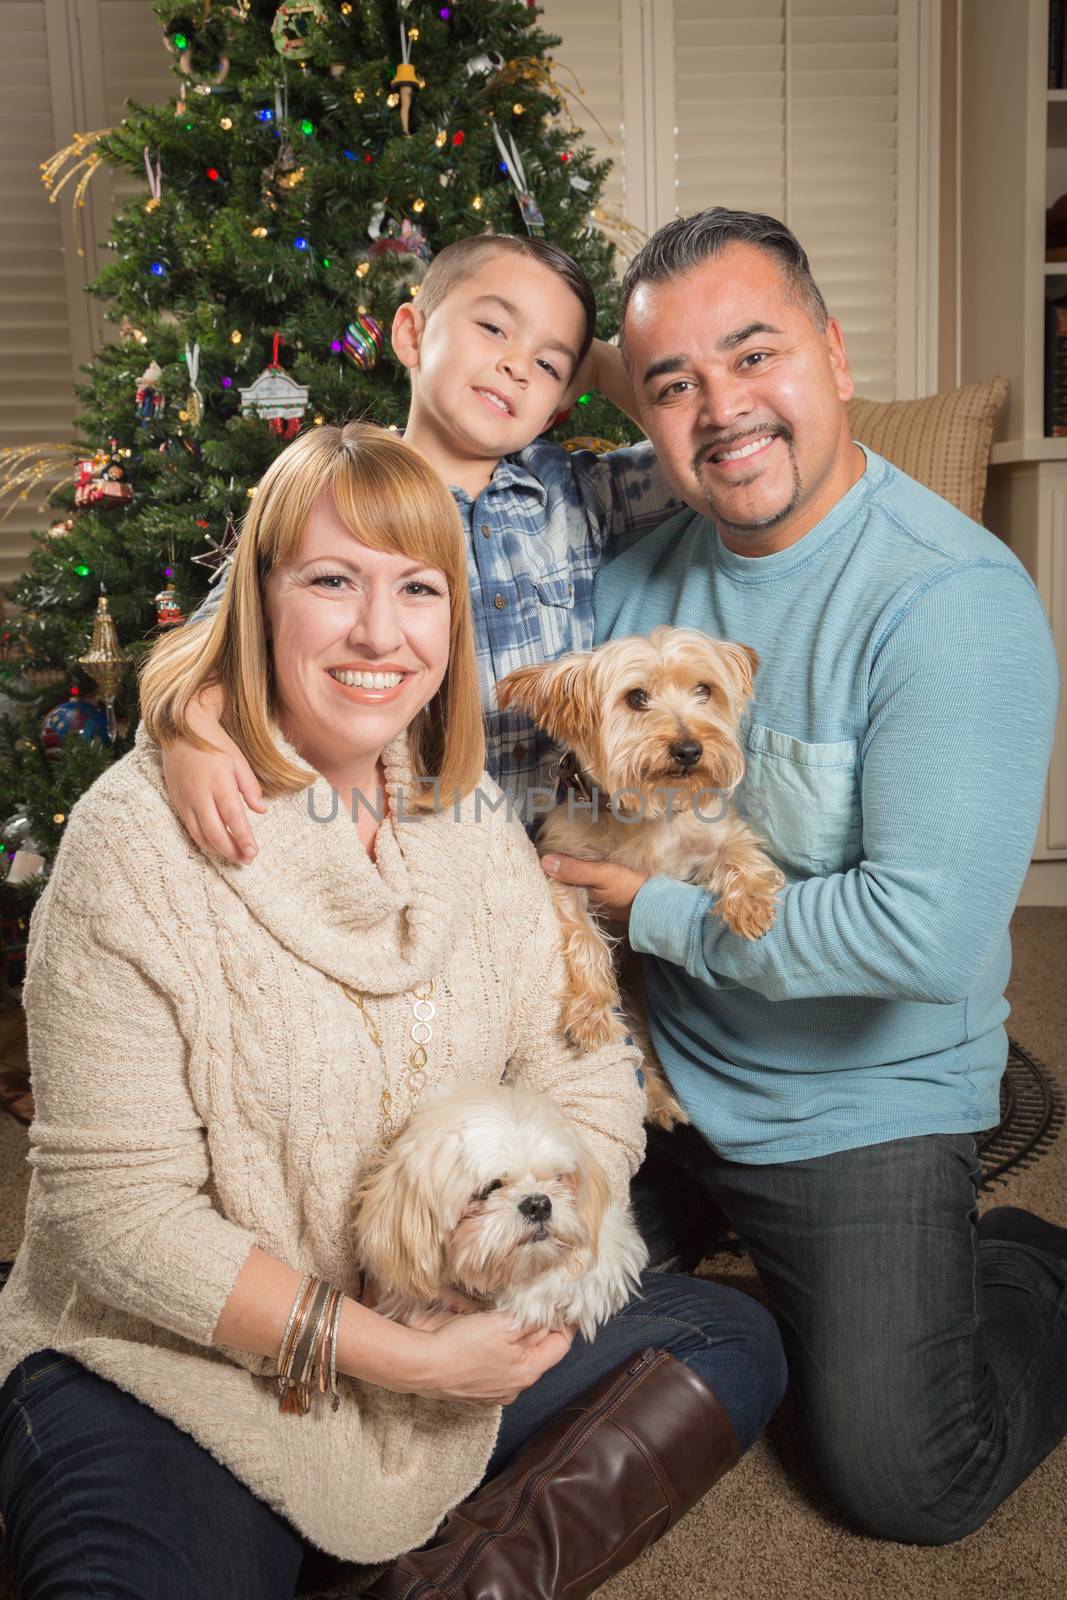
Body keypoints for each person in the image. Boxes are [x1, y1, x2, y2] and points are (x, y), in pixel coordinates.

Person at [0, 423, 786, 1600]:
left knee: (730, 1337)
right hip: (177, 1365)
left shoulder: (464, 820)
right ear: (258, 602)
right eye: (331, 580)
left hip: (466, 1298)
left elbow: (582, 1068)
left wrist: (512, 1280)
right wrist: (397, 1354)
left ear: (452, 621)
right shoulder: (132, 847)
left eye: (418, 588)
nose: (379, 631)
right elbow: (117, 1218)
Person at [537, 207, 1066, 1547]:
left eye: (752, 354)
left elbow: (923, 940)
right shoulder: (631, 576)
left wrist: (634, 906)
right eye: (673, 384)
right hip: (658, 1066)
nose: (720, 410)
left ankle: (1025, 1266)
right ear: (646, 418)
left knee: (904, 1475)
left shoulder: (949, 602)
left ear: (830, 357)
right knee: (498, 1311)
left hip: (858, 1091)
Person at [164, 233, 679, 857]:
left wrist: (596, 362)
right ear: (410, 334)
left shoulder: (576, 492)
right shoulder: (345, 493)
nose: (518, 365)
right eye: (494, 327)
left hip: (557, 861)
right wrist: (192, 737)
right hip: (419, 855)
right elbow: (206, 642)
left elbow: (697, 454)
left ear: (558, 405)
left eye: (547, 364)